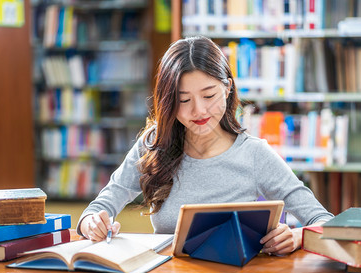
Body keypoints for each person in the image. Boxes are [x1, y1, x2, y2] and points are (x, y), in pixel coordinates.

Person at [77, 36, 334, 255]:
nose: (198, 110)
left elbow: (324, 221)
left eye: (209, 95)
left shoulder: (254, 154)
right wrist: (92, 223)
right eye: (184, 99)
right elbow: (99, 208)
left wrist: (299, 236)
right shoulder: (154, 144)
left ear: (227, 89)